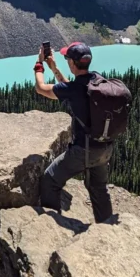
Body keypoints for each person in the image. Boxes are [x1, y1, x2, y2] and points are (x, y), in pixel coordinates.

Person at [33, 42, 113, 223]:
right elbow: (71, 89)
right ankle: (107, 226)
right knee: (99, 188)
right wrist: (54, 68)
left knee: (50, 180)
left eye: (67, 58)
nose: (67, 61)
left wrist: (39, 64)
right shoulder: (96, 80)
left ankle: (52, 226)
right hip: (105, 147)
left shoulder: (74, 89)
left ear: (72, 64)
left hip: (83, 150)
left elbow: (41, 88)